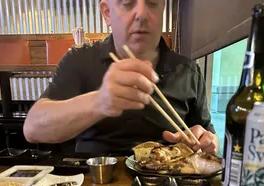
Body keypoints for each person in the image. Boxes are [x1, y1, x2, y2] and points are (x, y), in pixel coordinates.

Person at [23, 0, 219, 155]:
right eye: (127, 3)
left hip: (167, 184)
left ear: (162, 9)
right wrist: (100, 102)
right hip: (96, 184)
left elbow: (207, 134)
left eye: (152, 3)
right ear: (107, 13)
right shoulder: (80, 60)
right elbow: (33, 129)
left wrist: (207, 141)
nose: (142, 14)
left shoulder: (188, 70)